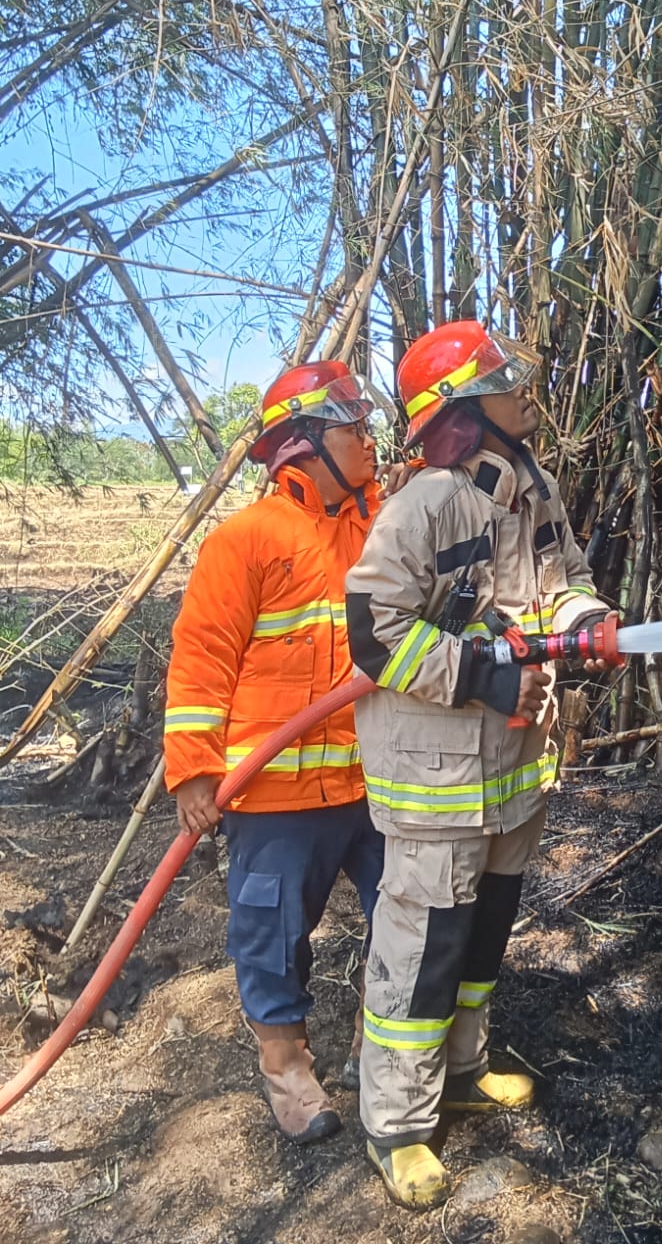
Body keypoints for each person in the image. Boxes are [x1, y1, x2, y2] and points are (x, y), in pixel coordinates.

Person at [345, 320, 616, 1209]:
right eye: (506, 378)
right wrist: (479, 675)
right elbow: (374, 630)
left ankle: (464, 1070)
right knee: (422, 952)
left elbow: (564, 574)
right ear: (463, 410)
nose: (524, 387)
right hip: (434, 776)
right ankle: (399, 1125)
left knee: (484, 937)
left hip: (508, 774)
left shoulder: (530, 488)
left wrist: (585, 619)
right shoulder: (426, 504)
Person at [164, 360, 386, 1144]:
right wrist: (194, 768)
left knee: (404, 913)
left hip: (372, 782)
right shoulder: (247, 539)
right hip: (274, 798)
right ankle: (287, 1068)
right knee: (272, 930)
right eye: (352, 427)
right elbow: (201, 657)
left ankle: (380, 1046)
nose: (368, 438)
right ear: (303, 446)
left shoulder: (379, 524)